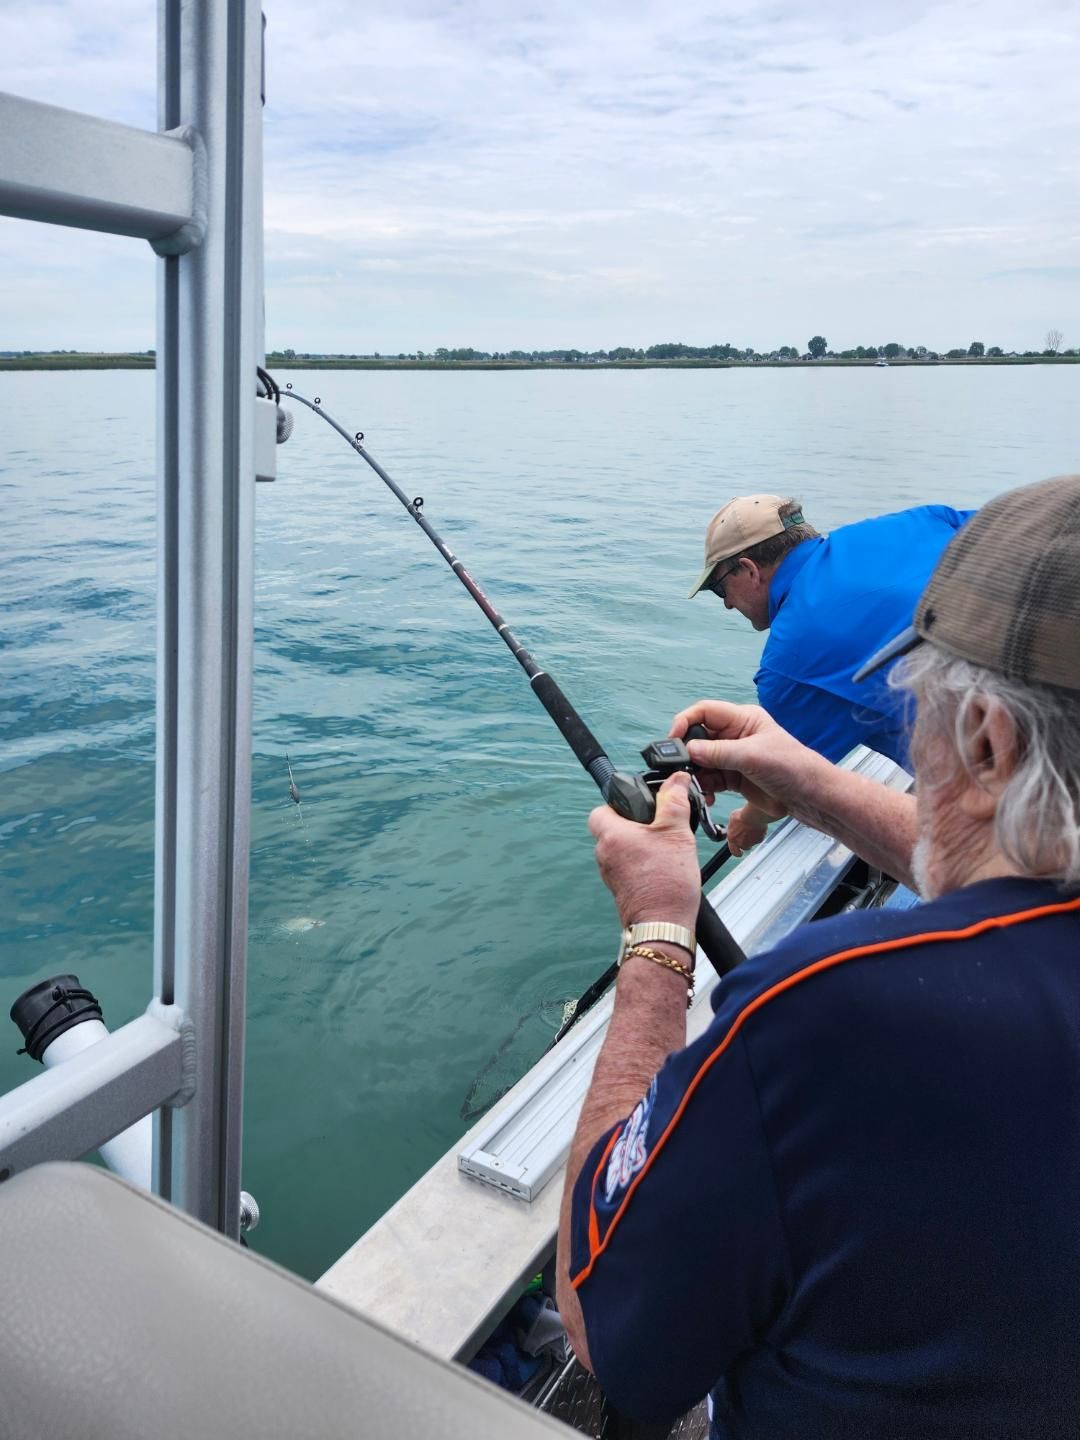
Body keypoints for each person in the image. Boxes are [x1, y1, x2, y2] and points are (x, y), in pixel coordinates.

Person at [557, 475, 1080, 1438]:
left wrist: (660, 931)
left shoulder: (817, 1017)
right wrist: (804, 778)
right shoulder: (922, 529)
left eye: (919, 698)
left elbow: (601, 1316)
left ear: (987, 740)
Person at [688, 494, 973, 853]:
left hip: (1010, 803)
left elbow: (782, 790)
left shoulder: (788, 663)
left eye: (719, 588)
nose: (727, 603)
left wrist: (749, 820)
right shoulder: (921, 520)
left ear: (748, 569)